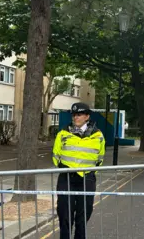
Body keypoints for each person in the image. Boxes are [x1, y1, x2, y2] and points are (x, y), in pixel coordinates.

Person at [53, 102, 105, 239]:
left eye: (79, 114)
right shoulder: (63, 133)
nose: (76, 117)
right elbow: (55, 154)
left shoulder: (97, 135)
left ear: (87, 116)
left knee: (84, 214)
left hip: (87, 178)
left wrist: (90, 171)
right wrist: (65, 168)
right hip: (66, 177)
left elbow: (100, 158)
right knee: (64, 213)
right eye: (74, 115)